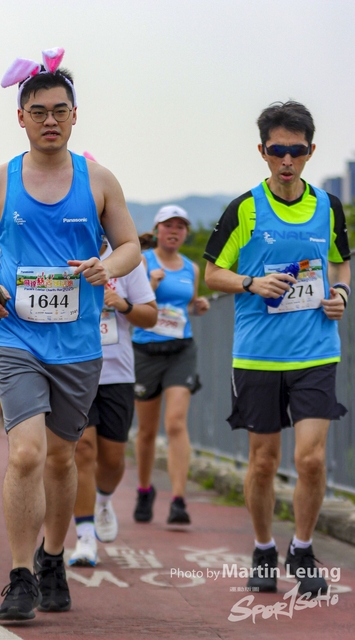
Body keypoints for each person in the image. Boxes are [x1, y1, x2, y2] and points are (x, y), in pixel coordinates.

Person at [0, 48, 140, 622]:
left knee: (63, 459)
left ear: (74, 116)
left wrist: (106, 268)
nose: (49, 120)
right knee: (26, 454)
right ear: (21, 117)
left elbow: (130, 246)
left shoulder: (99, 180)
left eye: (59, 111)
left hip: (78, 343)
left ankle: (53, 557)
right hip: (14, 335)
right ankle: (20, 576)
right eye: (38, 111)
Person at [204, 101, 351, 597]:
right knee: (264, 461)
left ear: (311, 151)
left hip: (316, 349)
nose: (287, 160)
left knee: (310, 460)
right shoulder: (244, 209)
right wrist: (251, 282)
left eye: (297, 150)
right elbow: (212, 273)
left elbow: (341, 262)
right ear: (263, 151)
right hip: (258, 354)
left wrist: (341, 293)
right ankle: (264, 548)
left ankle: (303, 549)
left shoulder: (328, 207)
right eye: (277, 150)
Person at [69, 237, 157, 566]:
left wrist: (123, 304)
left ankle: (103, 500)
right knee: (83, 451)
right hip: (74, 369)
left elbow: (151, 316)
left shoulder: (127, 260)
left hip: (116, 374)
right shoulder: (65, 254)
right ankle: (85, 537)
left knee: (112, 460)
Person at [132, 205, 210, 525]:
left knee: (176, 422)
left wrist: (198, 305)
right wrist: (150, 284)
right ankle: (144, 489)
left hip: (181, 349)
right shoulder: (142, 261)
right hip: (146, 350)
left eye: (180, 226)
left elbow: (186, 305)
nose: (174, 231)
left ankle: (178, 499)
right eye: (168, 225)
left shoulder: (192, 268)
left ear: (185, 233)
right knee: (147, 431)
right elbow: (132, 304)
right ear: (157, 230)